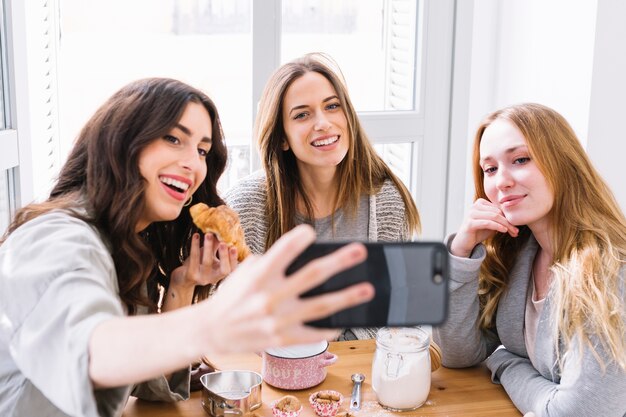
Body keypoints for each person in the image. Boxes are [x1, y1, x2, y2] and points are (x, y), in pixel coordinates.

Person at [0, 77, 375, 417]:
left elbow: (145, 383)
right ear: (121, 141)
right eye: (174, 139)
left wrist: (182, 286)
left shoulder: (127, 247)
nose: (192, 164)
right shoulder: (55, 238)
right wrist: (218, 320)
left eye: (201, 150)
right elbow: (87, 352)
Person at [433, 103, 626, 416]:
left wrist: (504, 361)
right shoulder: (520, 251)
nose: (501, 182)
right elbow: (456, 352)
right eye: (490, 169)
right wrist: (461, 252)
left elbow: (578, 413)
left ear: (563, 163)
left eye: (520, 160)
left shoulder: (610, 271)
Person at [224, 53, 420, 340]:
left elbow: (396, 314)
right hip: (273, 372)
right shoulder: (245, 207)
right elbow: (228, 323)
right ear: (282, 138)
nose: (323, 123)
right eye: (302, 114)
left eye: (332, 106)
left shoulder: (385, 199)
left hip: (361, 371)